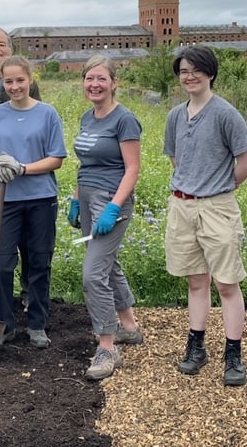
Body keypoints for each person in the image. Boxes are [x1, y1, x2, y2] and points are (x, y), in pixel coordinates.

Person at [163, 46, 247, 386]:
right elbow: (176, 159)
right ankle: (196, 345)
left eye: (196, 70)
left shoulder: (226, 114)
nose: (189, 76)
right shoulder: (175, 115)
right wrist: (192, 186)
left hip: (217, 207)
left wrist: (217, 186)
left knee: (227, 282)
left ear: (210, 73)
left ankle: (233, 353)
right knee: (195, 280)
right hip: (182, 206)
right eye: (184, 71)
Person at [0, 56, 66, 348]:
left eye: (20, 80)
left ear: (31, 80)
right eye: (9, 81)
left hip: (41, 197)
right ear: (2, 82)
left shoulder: (48, 114)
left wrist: (23, 168)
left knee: (39, 261)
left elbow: (56, 159)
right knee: (1, 263)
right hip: (7, 200)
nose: (14, 86)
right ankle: (4, 322)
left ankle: (37, 324)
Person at [69, 55, 142, 380]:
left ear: (114, 83)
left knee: (92, 274)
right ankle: (129, 326)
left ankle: (108, 346)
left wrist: (114, 207)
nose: (94, 84)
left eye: (101, 78)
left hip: (112, 201)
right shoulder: (88, 117)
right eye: (89, 79)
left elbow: (133, 169)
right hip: (86, 197)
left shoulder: (124, 119)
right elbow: (86, 163)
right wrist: (74, 199)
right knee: (107, 264)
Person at [0, 27, 42, 308]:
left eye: (1, 44)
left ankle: (27, 292)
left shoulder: (27, 84)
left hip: (24, 175)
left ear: (10, 49)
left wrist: (18, 168)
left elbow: (32, 127)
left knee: (28, 239)